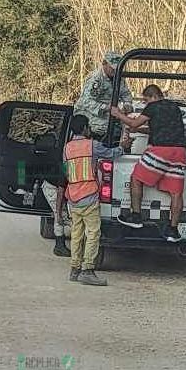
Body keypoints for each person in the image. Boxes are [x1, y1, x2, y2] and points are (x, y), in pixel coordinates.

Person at [111, 84, 186, 242]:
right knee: (176, 193)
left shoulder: (153, 107)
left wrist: (118, 114)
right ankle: (173, 230)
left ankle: (136, 216)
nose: (146, 104)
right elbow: (158, 128)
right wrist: (139, 131)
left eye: (146, 100)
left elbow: (133, 123)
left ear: (153, 96)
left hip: (161, 150)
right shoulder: (174, 108)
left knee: (136, 178)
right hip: (180, 152)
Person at [64, 114, 128, 286]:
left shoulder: (67, 148)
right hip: (89, 195)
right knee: (93, 233)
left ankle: (75, 269)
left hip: (73, 196)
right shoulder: (92, 145)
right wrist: (123, 146)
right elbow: (111, 154)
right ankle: (88, 270)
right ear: (85, 128)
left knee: (77, 233)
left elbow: (66, 171)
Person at [74, 51, 134, 142]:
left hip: (110, 112)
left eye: (117, 68)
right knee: (105, 128)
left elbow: (126, 94)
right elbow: (86, 101)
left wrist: (127, 105)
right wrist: (106, 107)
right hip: (90, 113)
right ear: (104, 64)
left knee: (125, 125)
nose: (114, 71)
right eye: (112, 68)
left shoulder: (119, 77)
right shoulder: (95, 79)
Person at [41, 178, 71, 257]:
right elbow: (60, 194)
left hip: (58, 188)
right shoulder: (66, 173)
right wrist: (58, 215)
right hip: (51, 188)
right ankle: (59, 247)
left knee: (64, 214)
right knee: (61, 215)